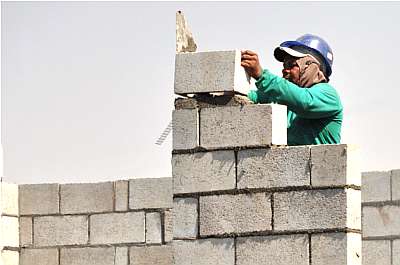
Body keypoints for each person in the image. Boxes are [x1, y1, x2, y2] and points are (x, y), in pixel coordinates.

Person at [241, 34, 343, 146]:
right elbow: (250, 97)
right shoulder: (286, 99)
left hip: (319, 162)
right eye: (284, 65)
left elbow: (305, 102)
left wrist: (261, 76)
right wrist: (231, 92)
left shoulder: (328, 95)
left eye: (291, 64)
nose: (285, 70)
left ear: (311, 66)